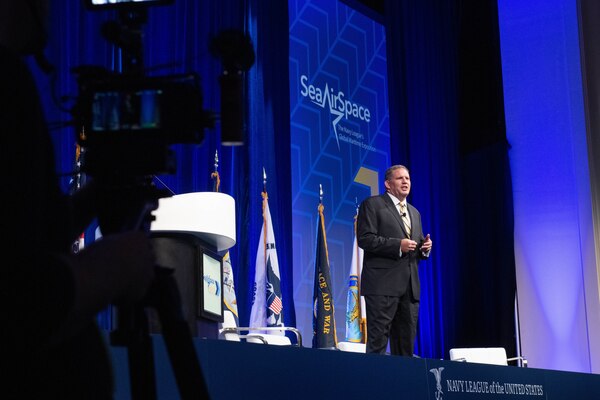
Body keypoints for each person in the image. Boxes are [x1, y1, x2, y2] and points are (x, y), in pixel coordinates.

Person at [0, 1, 156, 398]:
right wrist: (115, 266)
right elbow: (20, 299)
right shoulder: (6, 81)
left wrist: (93, 197)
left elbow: (35, 232)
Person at [357, 164, 433, 356]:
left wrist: (424, 248)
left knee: (406, 345)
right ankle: (375, 383)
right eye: (400, 178)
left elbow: (414, 244)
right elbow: (365, 239)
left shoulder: (415, 212)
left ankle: (403, 384)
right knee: (378, 342)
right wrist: (398, 245)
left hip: (410, 288)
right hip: (382, 286)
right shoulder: (372, 204)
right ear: (388, 184)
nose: (405, 181)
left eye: (407, 178)